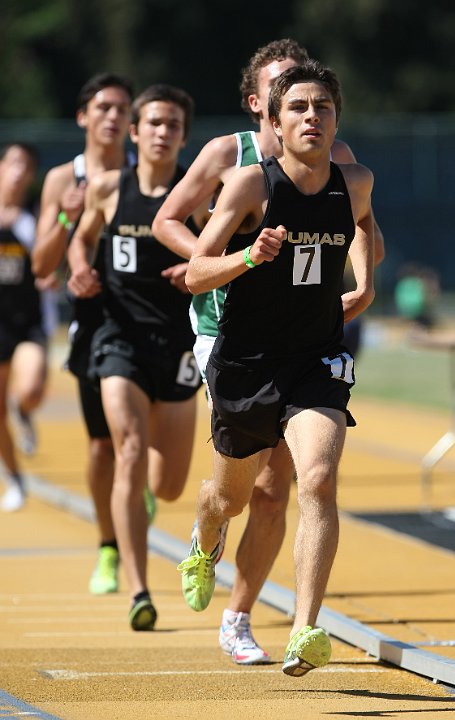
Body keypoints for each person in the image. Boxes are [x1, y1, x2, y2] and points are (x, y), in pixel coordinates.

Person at [153, 38, 383, 665]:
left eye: (324, 108)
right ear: (273, 122)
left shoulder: (354, 179)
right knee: (229, 495)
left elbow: (365, 229)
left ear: (336, 118)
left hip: (315, 357)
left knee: (311, 479)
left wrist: (363, 283)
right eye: (300, 107)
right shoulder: (249, 179)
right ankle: (205, 538)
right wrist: (251, 255)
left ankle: (303, 627)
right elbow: (197, 272)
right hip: (244, 360)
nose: (313, 117)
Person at [67, 83, 202, 630]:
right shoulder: (106, 188)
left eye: (173, 125)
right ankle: (139, 591)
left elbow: (219, 255)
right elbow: (81, 239)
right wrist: (80, 266)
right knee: (128, 449)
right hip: (117, 335)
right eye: (154, 123)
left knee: (167, 486)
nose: (163, 133)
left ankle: (143, 503)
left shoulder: (199, 193)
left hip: (177, 343)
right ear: (135, 131)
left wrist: (195, 272)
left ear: (183, 136)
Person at [32, 72, 136, 594]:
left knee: (148, 449)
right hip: (93, 321)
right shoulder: (60, 179)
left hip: (150, 318)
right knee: (102, 446)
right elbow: (41, 264)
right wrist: (70, 220)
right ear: (83, 116)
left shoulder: (148, 173)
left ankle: (137, 483)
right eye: (103, 108)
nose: (113, 117)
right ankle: (108, 547)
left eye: (122, 109)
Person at [0, 142, 58, 511]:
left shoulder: (34, 218)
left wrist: (52, 276)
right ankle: (15, 479)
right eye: (13, 163)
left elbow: (53, 261)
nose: (19, 171)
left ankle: (23, 409)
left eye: (27, 165)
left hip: (27, 324)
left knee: (32, 388)